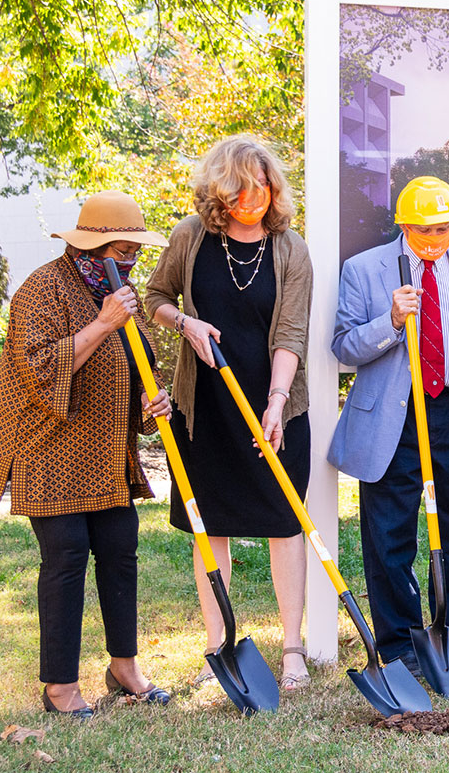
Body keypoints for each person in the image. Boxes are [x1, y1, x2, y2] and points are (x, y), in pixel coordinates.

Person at [0, 191, 173, 718]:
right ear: (95, 246)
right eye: (123, 250)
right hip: (47, 448)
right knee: (64, 560)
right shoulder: (40, 289)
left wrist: (150, 399)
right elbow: (37, 373)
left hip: (105, 449)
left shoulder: (116, 286)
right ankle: (59, 686)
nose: (131, 261)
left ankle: (123, 667)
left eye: (135, 252)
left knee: (120, 552)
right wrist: (104, 322)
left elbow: (132, 364)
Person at [143, 135, 314, 691]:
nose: (249, 198)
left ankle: (292, 649)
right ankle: (218, 645)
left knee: (285, 526)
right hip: (206, 409)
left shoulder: (291, 249)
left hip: (274, 409)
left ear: (273, 187)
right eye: (237, 189)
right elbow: (155, 299)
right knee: (208, 527)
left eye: (259, 187)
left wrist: (276, 402)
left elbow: (291, 334)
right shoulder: (190, 238)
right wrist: (186, 323)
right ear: (219, 189)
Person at [329, 175, 449, 678]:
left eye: (445, 229)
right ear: (404, 226)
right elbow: (343, 345)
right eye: (425, 231)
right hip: (396, 415)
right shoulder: (364, 269)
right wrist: (389, 321)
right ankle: (399, 645)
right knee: (389, 534)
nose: (436, 240)